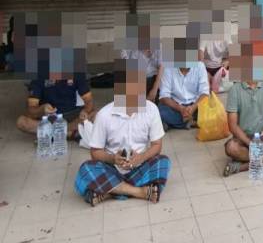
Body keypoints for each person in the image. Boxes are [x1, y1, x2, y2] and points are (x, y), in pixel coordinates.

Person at [74, 58, 170, 206]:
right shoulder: (104, 115)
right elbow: (95, 152)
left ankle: (109, 190)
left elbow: (157, 144)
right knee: (86, 170)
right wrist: (113, 159)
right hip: (112, 168)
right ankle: (139, 192)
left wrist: (142, 157)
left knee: (163, 162)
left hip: (140, 166)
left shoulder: (151, 109)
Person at [223, 79, 263, 176]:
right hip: (243, 138)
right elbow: (232, 126)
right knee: (231, 148)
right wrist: (250, 143)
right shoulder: (234, 90)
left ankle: (242, 166)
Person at [16, 74, 96, 140]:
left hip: (72, 116)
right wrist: (42, 109)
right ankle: (69, 134)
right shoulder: (39, 78)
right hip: (50, 118)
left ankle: (55, 133)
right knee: (21, 122)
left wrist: (85, 110)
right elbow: (31, 110)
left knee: (96, 115)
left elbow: (89, 101)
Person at [158, 63, 210, 130]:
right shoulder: (168, 68)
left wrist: (192, 108)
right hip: (176, 106)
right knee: (161, 112)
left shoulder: (200, 66)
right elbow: (164, 96)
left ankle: (175, 123)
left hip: (195, 105)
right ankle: (191, 121)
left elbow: (205, 93)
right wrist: (181, 109)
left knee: (210, 109)